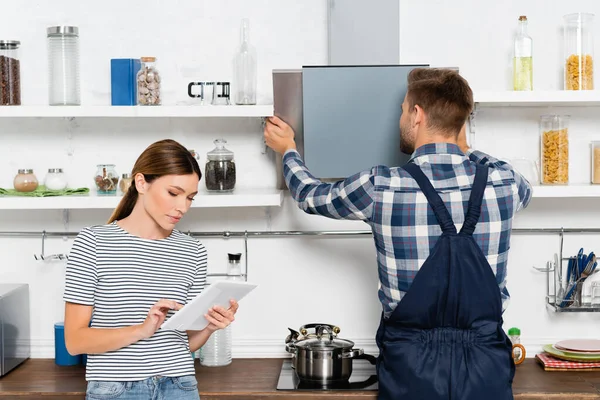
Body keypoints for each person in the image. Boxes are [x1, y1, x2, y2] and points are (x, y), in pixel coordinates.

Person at [264, 68, 532, 400]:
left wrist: (288, 149)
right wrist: (465, 147)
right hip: (485, 366)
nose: (402, 117)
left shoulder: (381, 186)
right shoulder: (505, 184)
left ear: (417, 114)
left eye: (404, 109)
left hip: (410, 368)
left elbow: (308, 195)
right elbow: (518, 180)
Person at [63, 139, 239, 400]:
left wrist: (210, 327)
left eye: (190, 197)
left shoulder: (193, 251)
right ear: (141, 183)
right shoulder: (94, 243)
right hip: (116, 389)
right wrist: (141, 330)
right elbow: (75, 341)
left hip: (181, 386)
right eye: (173, 193)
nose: (183, 207)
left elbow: (182, 343)